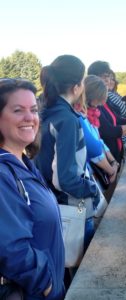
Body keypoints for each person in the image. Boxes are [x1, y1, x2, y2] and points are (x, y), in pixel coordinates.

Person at [0, 78, 65, 300]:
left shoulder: (24, 162)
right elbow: (11, 248)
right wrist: (46, 284)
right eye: (18, 110)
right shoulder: (2, 173)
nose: (30, 118)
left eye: (34, 110)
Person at [35, 55, 101, 252]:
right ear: (76, 86)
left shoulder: (42, 109)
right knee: (78, 267)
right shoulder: (67, 120)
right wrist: (92, 189)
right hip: (71, 206)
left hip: (46, 202)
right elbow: (66, 179)